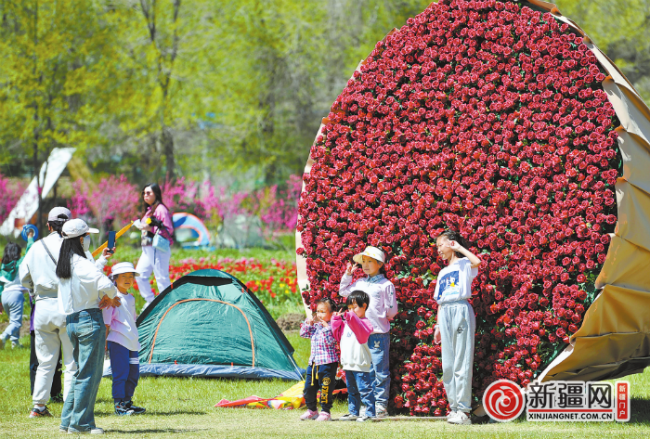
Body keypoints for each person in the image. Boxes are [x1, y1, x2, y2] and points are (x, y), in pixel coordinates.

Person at [20, 207, 117, 418]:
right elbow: (91, 274)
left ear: (48, 225)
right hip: (68, 305)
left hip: (43, 306)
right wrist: (103, 260)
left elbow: (23, 277)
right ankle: (70, 406)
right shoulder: (74, 245)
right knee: (72, 362)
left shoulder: (36, 247)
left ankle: (38, 406)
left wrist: (36, 289)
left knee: (45, 361)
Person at [56, 218, 118, 435]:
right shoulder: (81, 263)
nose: (89, 239)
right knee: (90, 374)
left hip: (73, 321)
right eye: (87, 236)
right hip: (89, 320)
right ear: (81, 240)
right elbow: (105, 284)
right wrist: (113, 297)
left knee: (79, 373)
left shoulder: (66, 261)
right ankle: (81, 424)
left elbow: (88, 276)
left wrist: (101, 260)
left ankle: (68, 421)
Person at [339, 246, 397, 418]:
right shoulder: (360, 283)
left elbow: (392, 310)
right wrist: (348, 275)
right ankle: (368, 405)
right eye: (363, 262)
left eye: (369, 261)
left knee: (380, 369)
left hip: (378, 333)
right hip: (360, 335)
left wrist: (379, 318)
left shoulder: (386, 285)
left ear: (380, 263)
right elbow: (343, 291)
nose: (365, 265)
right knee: (365, 369)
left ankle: (381, 406)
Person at [433, 230, 481, 426]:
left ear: (451, 244)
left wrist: (459, 248)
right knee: (448, 364)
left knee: (462, 361)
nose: (439, 250)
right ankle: (454, 408)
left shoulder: (464, 264)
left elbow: (477, 262)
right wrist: (437, 325)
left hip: (461, 308)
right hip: (445, 311)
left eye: (440, 245)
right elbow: (439, 301)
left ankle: (464, 411)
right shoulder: (442, 272)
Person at [102, 262, 146, 416]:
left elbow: (131, 321)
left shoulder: (131, 298)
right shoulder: (112, 298)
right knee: (120, 373)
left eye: (130, 276)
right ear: (115, 278)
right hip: (118, 341)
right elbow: (106, 322)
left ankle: (127, 402)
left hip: (132, 342)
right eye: (123, 276)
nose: (128, 279)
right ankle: (119, 404)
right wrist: (104, 344)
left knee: (133, 373)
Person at [331, 290, 375, 422]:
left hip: (360, 363)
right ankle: (353, 412)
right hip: (348, 363)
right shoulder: (347, 324)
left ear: (364, 306)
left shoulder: (366, 323)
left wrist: (351, 317)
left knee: (364, 389)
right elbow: (337, 336)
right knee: (352, 390)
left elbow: (361, 335)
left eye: (354, 307)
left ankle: (370, 412)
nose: (351, 311)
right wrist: (336, 320)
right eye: (349, 308)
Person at [299, 298, 338, 422]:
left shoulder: (333, 326)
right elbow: (303, 334)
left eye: (323, 312)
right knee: (308, 388)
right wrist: (309, 323)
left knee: (325, 388)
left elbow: (331, 341)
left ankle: (325, 412)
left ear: (331, 314)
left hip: (327, 363)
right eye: (318, 311)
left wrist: (326, 326)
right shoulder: (316, 327)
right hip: (314, 363)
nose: (319, 314)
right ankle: (312, 410)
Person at [134, 183, 173, 308]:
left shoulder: (161, 209)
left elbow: (169, 229)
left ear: (156, 194)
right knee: (139, 275)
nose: (145, 195)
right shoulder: (149, 210)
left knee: (161, 278)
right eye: (144, 193)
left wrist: (150, 228)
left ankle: (168, 306)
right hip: (147, 248)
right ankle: (151, 302)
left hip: (158, 248)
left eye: (148, 193)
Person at [0, 233, 34, 348]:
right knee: (16, 322)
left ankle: (15, 343)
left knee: (13, 321)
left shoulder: (3, 267)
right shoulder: (20, 262)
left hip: (4, 295)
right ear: (18, 253)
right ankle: (2, 337)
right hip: (16, 295)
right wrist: (30, 238)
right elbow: (30, 251)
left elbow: (0, 285)